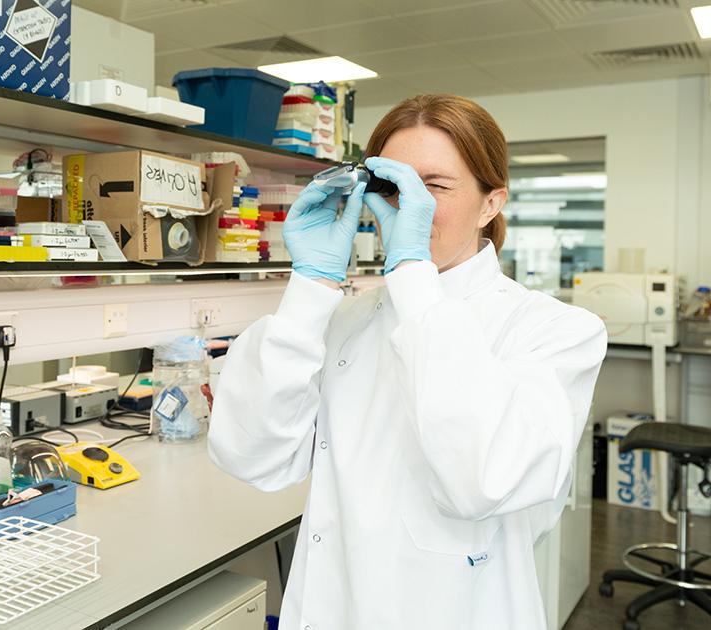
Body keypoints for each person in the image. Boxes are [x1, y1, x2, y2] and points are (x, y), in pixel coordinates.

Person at [207, 94, 608, 629]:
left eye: (434, 187)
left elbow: (482, 479)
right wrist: (310, 289)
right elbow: (250, 456)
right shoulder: (344, 320)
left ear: (492, 204)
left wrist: (415, 277)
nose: (408, 206)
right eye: (393, 187)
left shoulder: (556, 332)